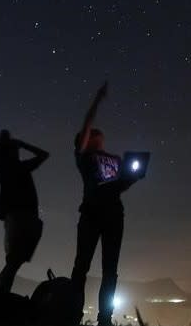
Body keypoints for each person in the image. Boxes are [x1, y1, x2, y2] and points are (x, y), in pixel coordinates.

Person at [70, 81, 136, 326]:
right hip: (91, 213)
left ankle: (104, 319)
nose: (97, 132)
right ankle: (72, 314)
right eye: (93, 133)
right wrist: (97, 100)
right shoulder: (84, 155)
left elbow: (119, 185)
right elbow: (86, 124)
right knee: (82, 266)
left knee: (110, 270)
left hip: (114, 215)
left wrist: (131, 178)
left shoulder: (115, 159)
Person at [0, 129, 49, 291]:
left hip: (19, 216)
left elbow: (44, 155)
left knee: (14, 261)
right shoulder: (14, 167)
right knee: (15, 261)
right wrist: (23, 144)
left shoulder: (5, 169)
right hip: (21, 216)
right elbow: (44, 155)